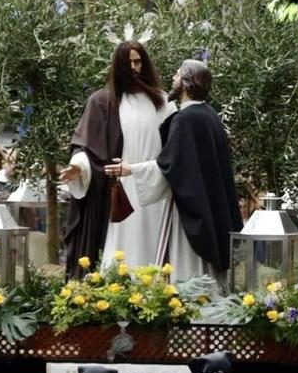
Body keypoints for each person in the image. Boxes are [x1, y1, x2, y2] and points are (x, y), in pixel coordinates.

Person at [102, 59, 241, 280]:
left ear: (186, 83)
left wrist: (132, 170)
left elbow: (172, 167)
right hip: (208, 202)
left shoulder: (185, 119)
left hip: (190, 205)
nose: (173, 79)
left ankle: (190, 297)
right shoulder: (209, 115)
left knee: (185, 259)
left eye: (177, 75)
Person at [60, 41, 169, 275]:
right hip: (119, 193)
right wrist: (78, 167)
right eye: (128, 62)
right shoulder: (102, 102)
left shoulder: (163, 102)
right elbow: (88, 149)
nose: (133, 67)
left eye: (138, 61)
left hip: (155, 189)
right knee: (120, 254)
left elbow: (174, 151)